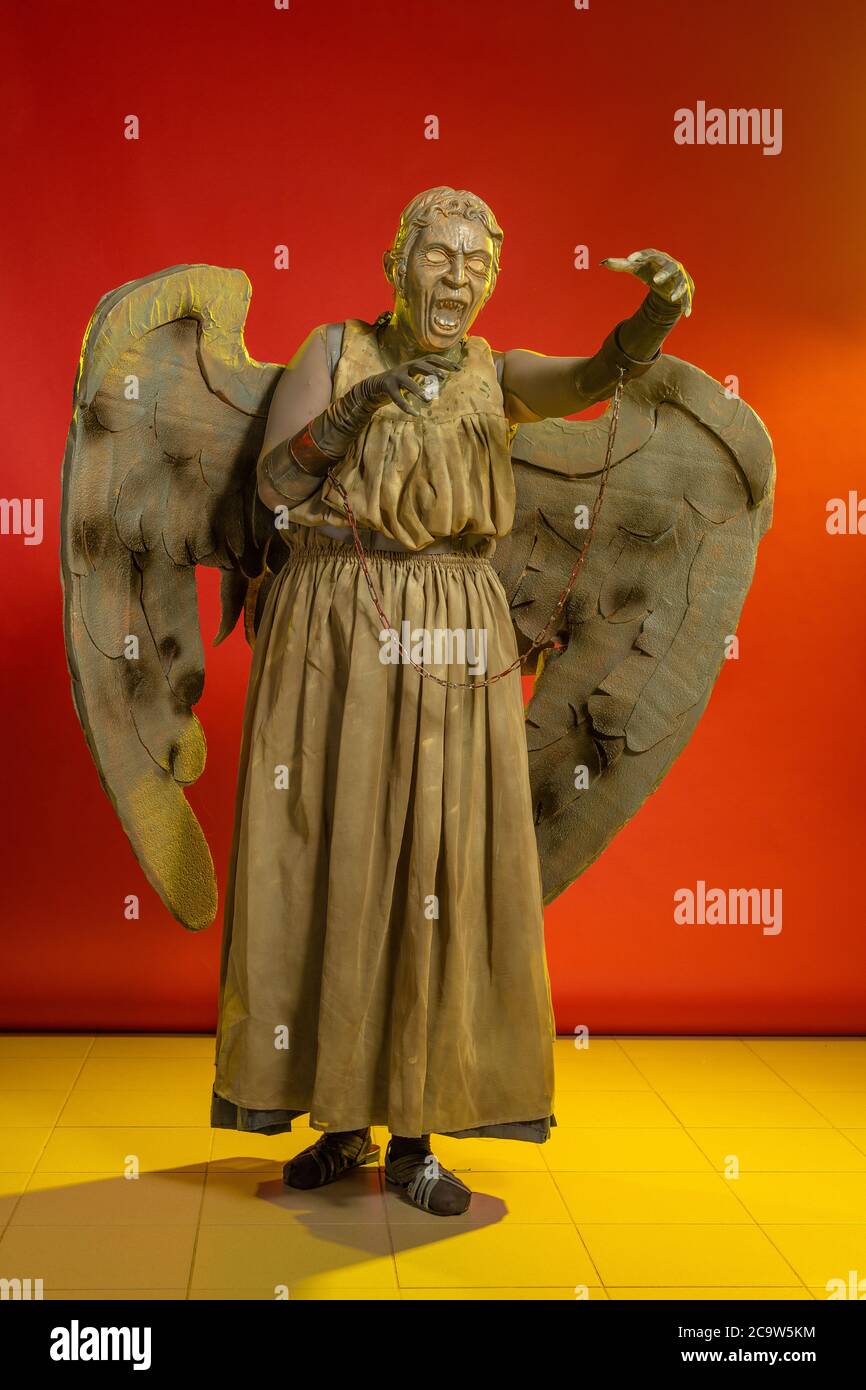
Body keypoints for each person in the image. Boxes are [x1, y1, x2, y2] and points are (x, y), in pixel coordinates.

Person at [210, 186, 692, 1215]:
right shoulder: (332, 349)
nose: (460, 276)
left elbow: (596, 376)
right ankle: (341, 1122)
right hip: (335, 620)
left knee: (434, 855)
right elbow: (273, 490)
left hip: (451, 626)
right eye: (441, 256)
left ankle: (418, 1131)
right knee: (334, 849)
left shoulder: (491, 371)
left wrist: (653, 316)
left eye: (478, 263)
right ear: (398, 264)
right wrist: (347, 416)